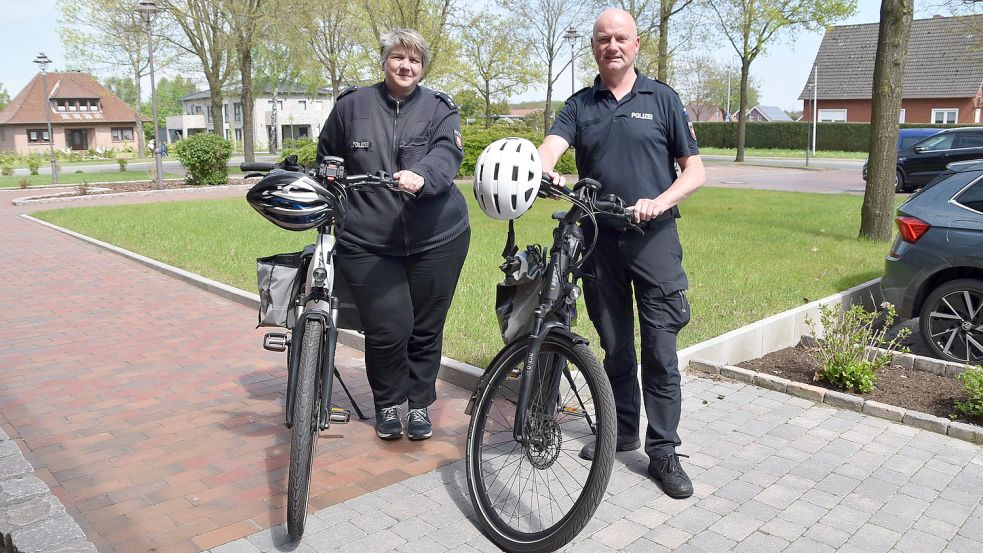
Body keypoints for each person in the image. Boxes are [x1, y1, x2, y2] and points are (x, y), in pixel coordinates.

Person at [537, 8, 705, 499]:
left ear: (636, 45)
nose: (612, 46)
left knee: (659, 349)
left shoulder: (663, 99)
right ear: (594, 47)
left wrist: (660, 201)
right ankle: (622, 430)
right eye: (603, 39)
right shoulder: (579, 104)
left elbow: (693, 171)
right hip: (598, 242)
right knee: (615, 345)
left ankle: (664, 451)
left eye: (621, 39)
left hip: (653, 241)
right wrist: (544, 169)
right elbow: (550, 148)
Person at [316, 29, 469, 441]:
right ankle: (387, 403)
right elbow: (328, 153)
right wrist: (329, 179)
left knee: (426, 327)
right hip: (368, 239)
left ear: (423, 67)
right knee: (388, 328)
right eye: (398, 58)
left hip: (438, 236)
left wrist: (422, 174)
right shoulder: (352, 105)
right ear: (384, 60)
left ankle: (418, 406)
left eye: (415, 60)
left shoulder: (440, 108)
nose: (406, 66)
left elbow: (447, 153)